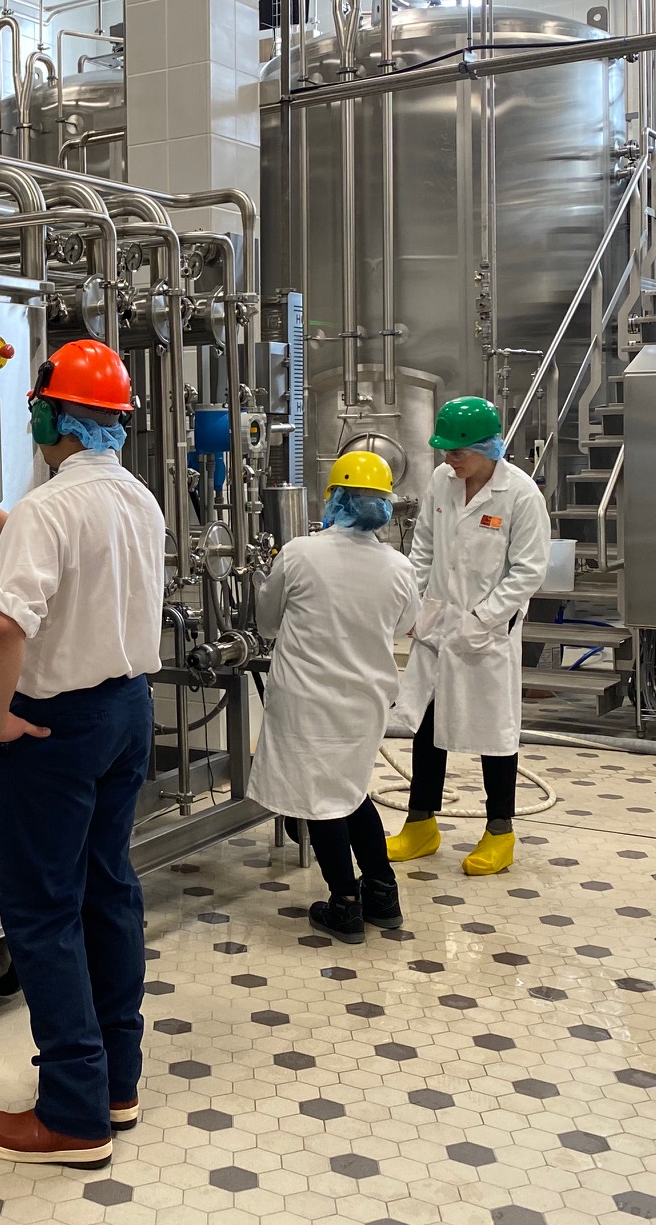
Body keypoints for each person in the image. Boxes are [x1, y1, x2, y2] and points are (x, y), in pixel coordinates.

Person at [0, 338, 165, 1168]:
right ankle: (115, 1081)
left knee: (42, 911)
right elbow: (85, 572)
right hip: (125, 712)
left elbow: (7, 624)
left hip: (55, 729)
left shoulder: (51, 507)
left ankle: (72, 1114)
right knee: (108, 889)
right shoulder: (135, 498)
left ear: (48, 414)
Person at [252, 451, 421, 945]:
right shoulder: (397, 567)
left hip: (307, 699)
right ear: (384, 507)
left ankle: (345, 903)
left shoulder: (301, 553)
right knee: (350, 793)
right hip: (365, 701)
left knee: (322, 801)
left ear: (334, 497)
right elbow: (407, 624)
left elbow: (266, 624)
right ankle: (384, 895)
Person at [388, 395, 550, 876]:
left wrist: (484, 618)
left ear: (488, 449)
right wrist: (413, 604)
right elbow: (424, 546)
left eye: (458, 452)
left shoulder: (520, 495)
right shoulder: (442, 481)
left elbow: (528, 572)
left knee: (495, 732)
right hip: (438, 622)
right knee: (428, 725)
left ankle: (499, 831)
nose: (448, 459)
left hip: (487, 634)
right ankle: (421, 824)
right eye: (444, 450)